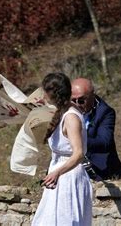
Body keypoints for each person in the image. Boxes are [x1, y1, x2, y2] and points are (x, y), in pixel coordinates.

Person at [32, 73, 92, 226]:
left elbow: (78, 154)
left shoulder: (71, 117)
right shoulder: (61, 111)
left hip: (69, 176)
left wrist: (58, 172)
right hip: (59, 175)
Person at [71, 78, 121, 180]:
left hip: (101, 170)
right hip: (74, 167)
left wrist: (77, 140)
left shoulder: (105, 112)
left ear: (92, 96)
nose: (77, 104)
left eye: (82, 100)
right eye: (73, 100)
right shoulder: (68, 110)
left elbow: (105, 142)